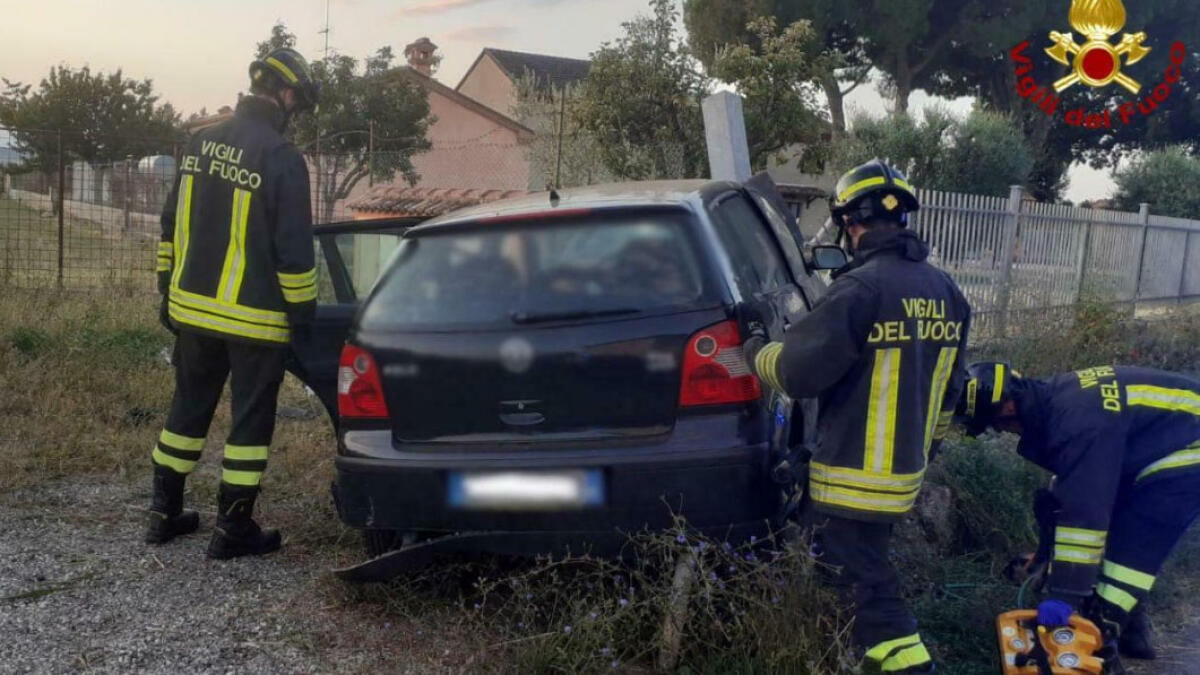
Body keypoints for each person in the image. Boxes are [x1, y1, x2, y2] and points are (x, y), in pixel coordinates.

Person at [744, 159, 972, 673]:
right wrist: (920, 452)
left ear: (851, 222)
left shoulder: (860, 290)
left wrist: (754, 346)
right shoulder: (947, 292)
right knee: (859, 582)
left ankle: (911, 668)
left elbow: (797, 373)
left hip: (850, 484)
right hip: (902, 478)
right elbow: (951, 391)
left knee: (872, 599)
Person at [146, 47, 320, 559]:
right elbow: (295, 254)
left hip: (192, 312)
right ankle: (232, 528)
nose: (296, 113)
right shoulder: (282, 158)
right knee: (249, 424)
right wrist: (305, 316)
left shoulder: (199, 144)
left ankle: (162, 512)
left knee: (188, 408)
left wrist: (166, 292)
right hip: (256, 322)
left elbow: (170, 225)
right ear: (287, 95)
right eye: (298, 103)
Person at [955, 362, 1200, 671]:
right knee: (1075, 512)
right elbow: (1069, 496)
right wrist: (1046, 554)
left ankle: (1103, 640)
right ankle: (1134, 635)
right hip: (1162, 442)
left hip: (1190, 447)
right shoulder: (1058, 403)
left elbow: (1084, 517)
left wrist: (1065, 597)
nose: (1001, 432)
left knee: (1135, 545)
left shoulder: (1077, 422)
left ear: (1007, 407)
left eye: (995, 425)